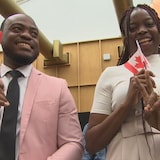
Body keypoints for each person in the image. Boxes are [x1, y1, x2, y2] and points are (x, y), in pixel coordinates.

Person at [0, 13, 83, 160]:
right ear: (1, 36)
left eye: (34, 34)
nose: (27, 35)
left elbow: (73, 142)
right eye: (17, 29)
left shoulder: (58, 87)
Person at [85, 4, 160, 160]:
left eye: (149, 24)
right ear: (126, 37)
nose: (141, 30)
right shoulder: (110, 74)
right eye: (133, 28)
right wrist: (126, 104)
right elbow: (91, 144)